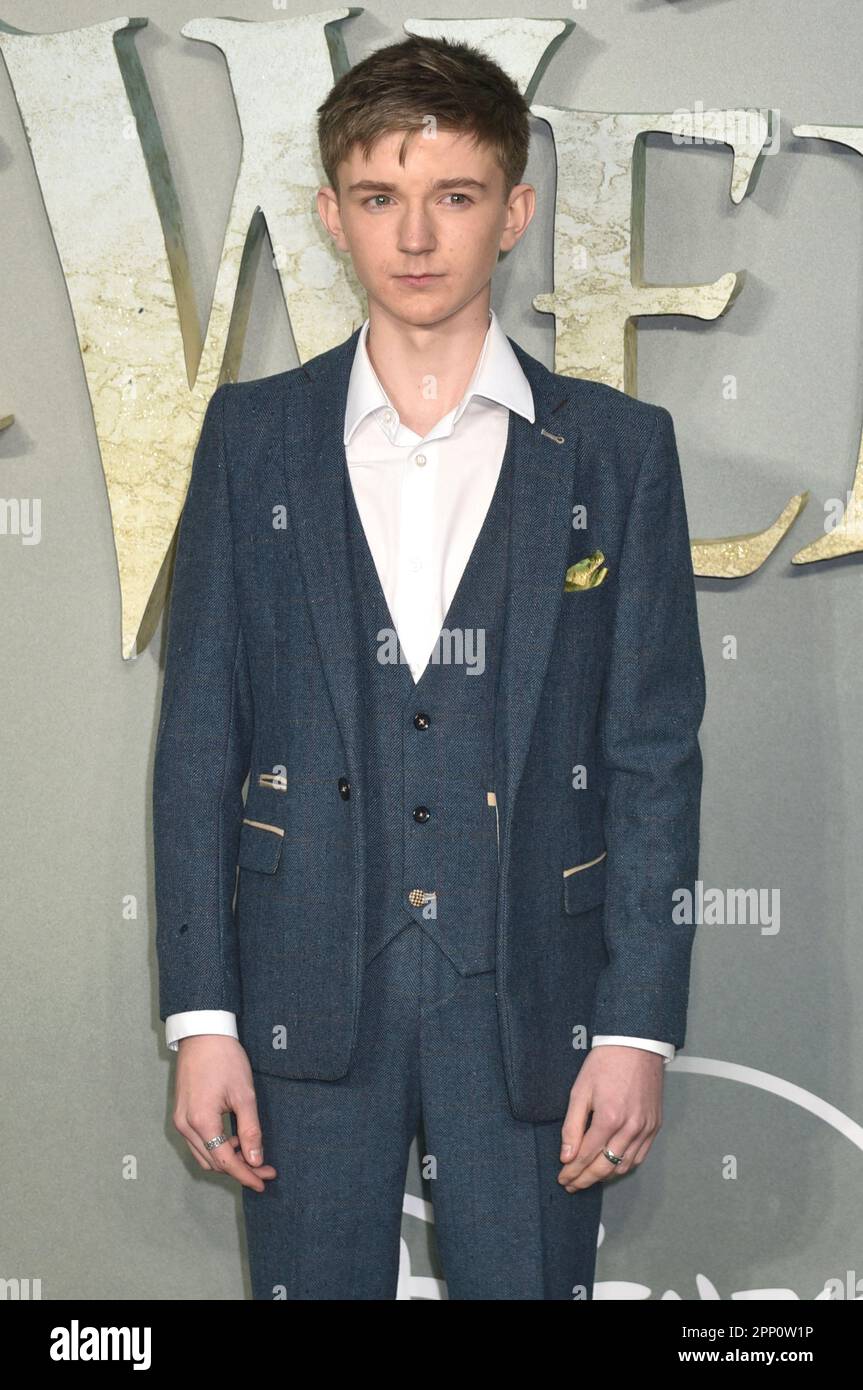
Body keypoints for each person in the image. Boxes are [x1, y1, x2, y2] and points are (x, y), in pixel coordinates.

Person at [153, 33, 706, 1300]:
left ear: (513, 212)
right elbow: (198, 744)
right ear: (330, 216)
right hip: (301, 999)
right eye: (378, 197)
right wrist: (203, 1018)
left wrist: (635, 1024)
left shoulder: (614, 451)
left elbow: (650, 758)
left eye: (453, 195)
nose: (414, 237)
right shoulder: (251, 438)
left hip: (536, 1005)